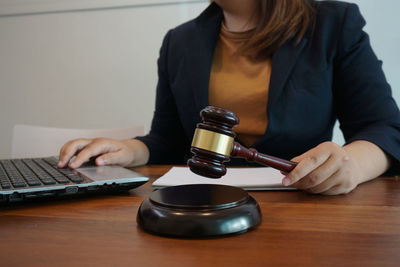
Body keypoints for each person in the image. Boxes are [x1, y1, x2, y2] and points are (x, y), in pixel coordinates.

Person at [57, 0, 400, 195]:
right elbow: (171, 138)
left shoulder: (333, 23)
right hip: (205, 202)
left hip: (303, 202)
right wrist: (129, 149)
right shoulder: (179, 41)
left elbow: (384, 128)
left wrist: (351, 166)